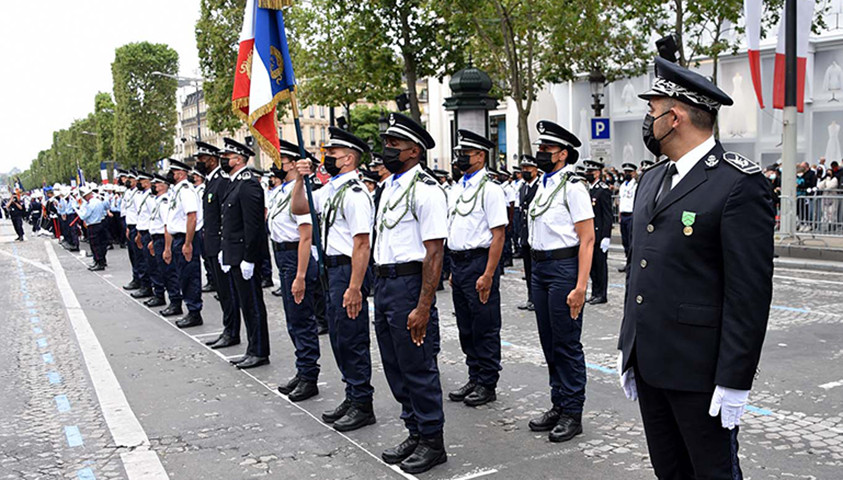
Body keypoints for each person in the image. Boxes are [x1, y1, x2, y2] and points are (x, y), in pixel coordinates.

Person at [617, 57, 774, 480]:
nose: (647, 121)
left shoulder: (738, 183)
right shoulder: (653, 178)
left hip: (700, 373)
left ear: (676, 116)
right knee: (669, 472)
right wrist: (627, 345)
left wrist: (735, 379)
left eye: (652, 112)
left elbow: (749, 293)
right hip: (651, 363)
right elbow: (641, 269)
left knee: (713, 474)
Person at [372, 112, 448, 474]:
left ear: (414, 151)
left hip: (408, 285)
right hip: (384, 283)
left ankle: (433, 441)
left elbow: (434, 252)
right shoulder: (388, 187)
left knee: (418, 366)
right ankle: (415, 431)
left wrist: (423, 305)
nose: (387, 150)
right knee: (394, 364)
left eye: (394, 145)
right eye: (387, 143)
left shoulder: (427, 189)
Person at [291, 127, 375, 431]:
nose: (326, 159)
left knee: (352, 337)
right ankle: (352, 394)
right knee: (339, 337)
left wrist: (355, 286)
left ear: (349, 158)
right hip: (330, 269)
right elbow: (299, 207)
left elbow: (362, 243)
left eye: (332, 155)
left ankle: (363, 402)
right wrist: (300, 178)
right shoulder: (334, 187)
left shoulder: (354, 193)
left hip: (346, 270)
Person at [526, 120, 594, 443]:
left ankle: (572, 411)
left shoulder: (573, 187)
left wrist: (580, 287)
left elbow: (588, 239)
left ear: (562, 154)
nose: (540, 153)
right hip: (540, 270)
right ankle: (558, 402)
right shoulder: (542, 185)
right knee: (549, 340)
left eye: (546, 150)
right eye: (540, 148)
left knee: (566, 342)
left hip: (563, 268)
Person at [447, 129, 508, 408]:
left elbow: (498, 235)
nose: (460, 158)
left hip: (479, 262)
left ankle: (487, 381)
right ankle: (474, 374)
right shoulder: (458, 187)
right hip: (458, 263)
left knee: (484, 324)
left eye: (465, 154)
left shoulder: (491, 189)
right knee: (466, 326)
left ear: (481, 156)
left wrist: (488, 273)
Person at [270, 140, 321, 403]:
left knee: (302, 319)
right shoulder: (281, 191)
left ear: (292, 163)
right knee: (293, 319)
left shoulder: (302, 191)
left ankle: (309, 375)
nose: (276, 164)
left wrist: (300, 276)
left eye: (281, 160)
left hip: (296, 257)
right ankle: (302, 372)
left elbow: (305, 236)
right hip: (283, 256)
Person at [219, 138, 270, 369]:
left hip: (244, 256)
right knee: (245, 302)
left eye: (226, 156)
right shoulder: (234, 183)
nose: (223, 160)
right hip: (234, 253)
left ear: (238, 159)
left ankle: (259, 350)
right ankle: (252, 348)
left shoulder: (248, 184)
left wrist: (249, 258)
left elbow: (254, 225)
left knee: (252, 303)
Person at [195, 141, 242, 349]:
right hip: (212, 244)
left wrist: (224, 245)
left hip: (220, 244)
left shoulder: (221, 181)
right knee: (222, 291)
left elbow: (225, 216)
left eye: (202, 159)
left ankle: (232, 331)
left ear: (212, 160)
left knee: (228, 291)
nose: (198, 163)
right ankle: (227, 329)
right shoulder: (211, 181)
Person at [164, 160, 204, 328]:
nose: (169, 175)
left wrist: (187, 243)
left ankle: (194, 312)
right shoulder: (177, 191)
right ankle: (190, 308)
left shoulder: (186, 191)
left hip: (186, 237)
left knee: (189, 275)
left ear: (180, 174)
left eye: (172, 172)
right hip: (178, 237)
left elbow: (192, 217)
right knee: (182, 275)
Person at [147, 174, 182, 313]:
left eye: (155, 184)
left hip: (163, 239)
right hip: (157, 239)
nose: (153, 187)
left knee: (169, 272)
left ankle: (175, 302)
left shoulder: (165, 202)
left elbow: (167, 226)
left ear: (162, 186)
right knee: (161, 271)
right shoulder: (158, 201)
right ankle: (165, 297)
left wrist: (167, 248)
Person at [585, 159, 612, 305]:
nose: (588, 174)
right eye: (587, 171)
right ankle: (595, 292)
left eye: (591, 172)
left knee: (600, 267)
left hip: (600, 234)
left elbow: (607, 215)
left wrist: (606, 236)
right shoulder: (591, 189)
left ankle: (602, 294)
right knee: (592, 267)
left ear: (598, 173)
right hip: (591, 235)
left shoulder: (603, 190)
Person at [517, 155, 540, 312]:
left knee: (535, 269)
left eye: (528, 169)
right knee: (528, 268)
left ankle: (536, 298)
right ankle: (530, 297)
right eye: (523, 169)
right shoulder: (523, 187)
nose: (525, 171)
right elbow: (521, 213)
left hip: (536, 235)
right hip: (526, 235)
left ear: (536, 170)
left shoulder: (540, 187)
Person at [131, 171, 158, 300]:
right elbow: (140, 216)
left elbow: (154, 217)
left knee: (151, 264)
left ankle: (153, 290)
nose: (138, 183)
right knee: (142, 261)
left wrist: (152, 238)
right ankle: (145, 286)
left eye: (141, 180)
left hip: (149, 232)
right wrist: (137, 233)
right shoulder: (141, 195)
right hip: (142, 231)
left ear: (147, 182)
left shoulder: (151, 197)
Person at [122, 171, 148, 291]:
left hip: (139, 227)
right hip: (131, 225)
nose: (128, 180)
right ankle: (136, 278)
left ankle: (143, 283)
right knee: (134, 256)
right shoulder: (129, 192)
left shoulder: (140, 194)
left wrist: (137, 231)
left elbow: (140, 214)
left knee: (141, 257)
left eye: (131, 179)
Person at [75, 185, 109, 270]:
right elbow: (107, 206)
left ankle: (99, 262)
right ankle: (102, 261)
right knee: (101, 244)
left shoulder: (90, 204)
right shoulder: (98, 201)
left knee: (95, 245)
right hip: (100, 223)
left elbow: (83, 216)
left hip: (93, 225)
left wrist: (77, 210)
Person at [617, 163, 638, 273]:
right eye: (625, 172)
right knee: (625, 241)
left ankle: (632, 264)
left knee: (631, 241)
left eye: (629, 172)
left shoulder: (636, 185)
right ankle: (627, 262)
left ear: (634, 173)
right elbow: (621, 201)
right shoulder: (622, 186)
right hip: (623, 215)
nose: (627, 174)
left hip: (631, 215)